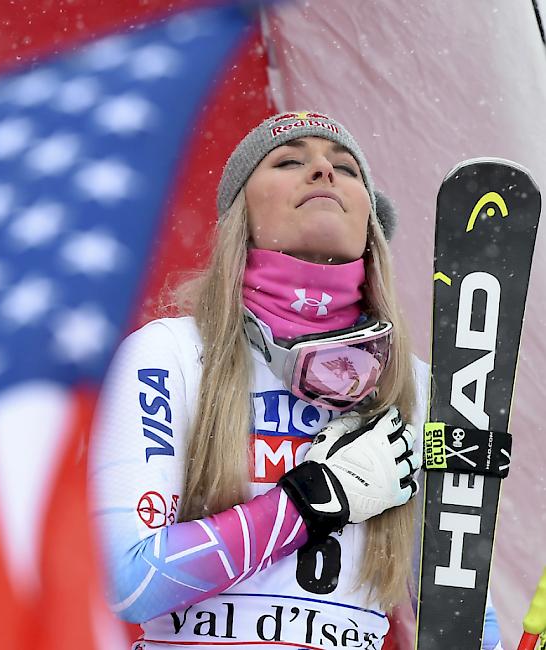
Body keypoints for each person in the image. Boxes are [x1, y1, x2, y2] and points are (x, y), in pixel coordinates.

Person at [88, 111, 502, 649]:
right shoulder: (171, 354)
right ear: (242, 216)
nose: (324, 173)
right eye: (289, 161)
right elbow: (130, 581)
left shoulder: (420, 391)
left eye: (347, 169)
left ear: (371, 223)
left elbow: (466, 624)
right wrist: (316, 499)